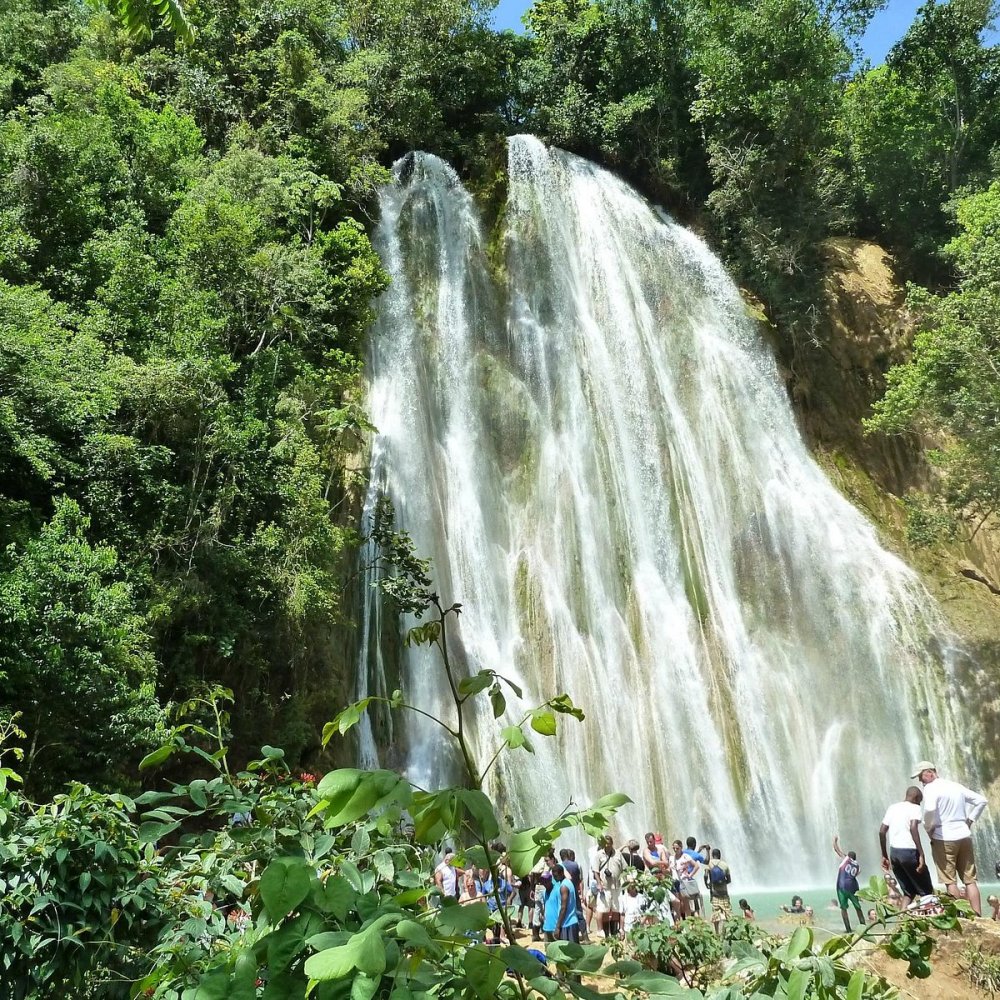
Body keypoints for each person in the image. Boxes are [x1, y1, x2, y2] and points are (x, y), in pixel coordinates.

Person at [913, 760, 988, 916]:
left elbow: (930, 809)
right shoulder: (955, 786)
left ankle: (958, 917)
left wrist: (928, 827)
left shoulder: (931, 788)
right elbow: (982, 800)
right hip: (964, 835)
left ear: (930, 772)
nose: (920, 780)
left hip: (943, 837)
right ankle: (978, 915)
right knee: (970, 880)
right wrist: (970, 821)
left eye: (921, 776)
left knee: (950, 880)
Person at [879, 786, 933, 907]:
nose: (920, 803)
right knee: (927, 891)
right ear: (916, 798)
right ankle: (932, 919)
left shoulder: (893, 807)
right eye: (920, 800)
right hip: (909, 852)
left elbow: (882, 831)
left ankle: (902, 919)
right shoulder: (915, 807)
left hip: (894, 853)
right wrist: (921, 854)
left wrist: (884, 855)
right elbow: (913, 827)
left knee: (908, 892)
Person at [593, 835, 628, 938]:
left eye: (609, 843)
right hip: (604, 887)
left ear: (612, 843)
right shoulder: (599, 855)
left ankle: (614, 930)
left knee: (616, 909)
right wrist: (599, 883)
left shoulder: (618, 854)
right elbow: (595, 871)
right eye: (605, 843)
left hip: (617, 886)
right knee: (602, 909)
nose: (607, 845)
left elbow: (625, 868)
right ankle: (601, 930)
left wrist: (627, 882)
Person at [833, 835, 865, 932]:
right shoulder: (858, 866)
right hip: (852, 887)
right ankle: (864, 927)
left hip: (841, 886)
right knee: (858, 908)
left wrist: (834, 841)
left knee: (843, 908)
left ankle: (848, 929)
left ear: (848, 856)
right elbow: (856, 875)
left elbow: (836, 850)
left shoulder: (846, 859)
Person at [543, 863, 580, 942]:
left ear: (562, 873)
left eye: (556, 876)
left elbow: (563, 908)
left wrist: (557, 927)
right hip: (573, 921)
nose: (555, 878)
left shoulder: (563, 886)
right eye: (554, 876)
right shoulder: (569, 883)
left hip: (567, 923)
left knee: (567, 952)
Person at [560, 848, 587, 940]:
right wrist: (582, 893)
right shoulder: (576, 865)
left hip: (564, 891)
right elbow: (580, 880)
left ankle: (566, 935)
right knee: (579, 913)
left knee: (565, 912)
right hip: (575, 891)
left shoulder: (561, 866)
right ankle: (585, 936)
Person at [671, 839, 701, 920]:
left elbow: (696, 866)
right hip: (674, 882)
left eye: (677, 848)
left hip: (683, 882)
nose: (675, 850)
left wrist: (690, 875)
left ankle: (688, 921)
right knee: (678, 903)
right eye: (674, 848)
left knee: (686, 903)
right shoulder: (671, 858)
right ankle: (680, 921)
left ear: (681, 848)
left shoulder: (685, 856)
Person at [704, 848, 732, 933]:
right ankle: (724, 931)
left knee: (715, 914)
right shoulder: (725, 865)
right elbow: (729, 880)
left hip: (714, 892)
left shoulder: (709, 864)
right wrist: (722, 883)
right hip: (724, 892)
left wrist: (707, 884)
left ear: (712, 855)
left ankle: (716, 933)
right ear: (720, 855)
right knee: (727, 913)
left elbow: (705, 876)